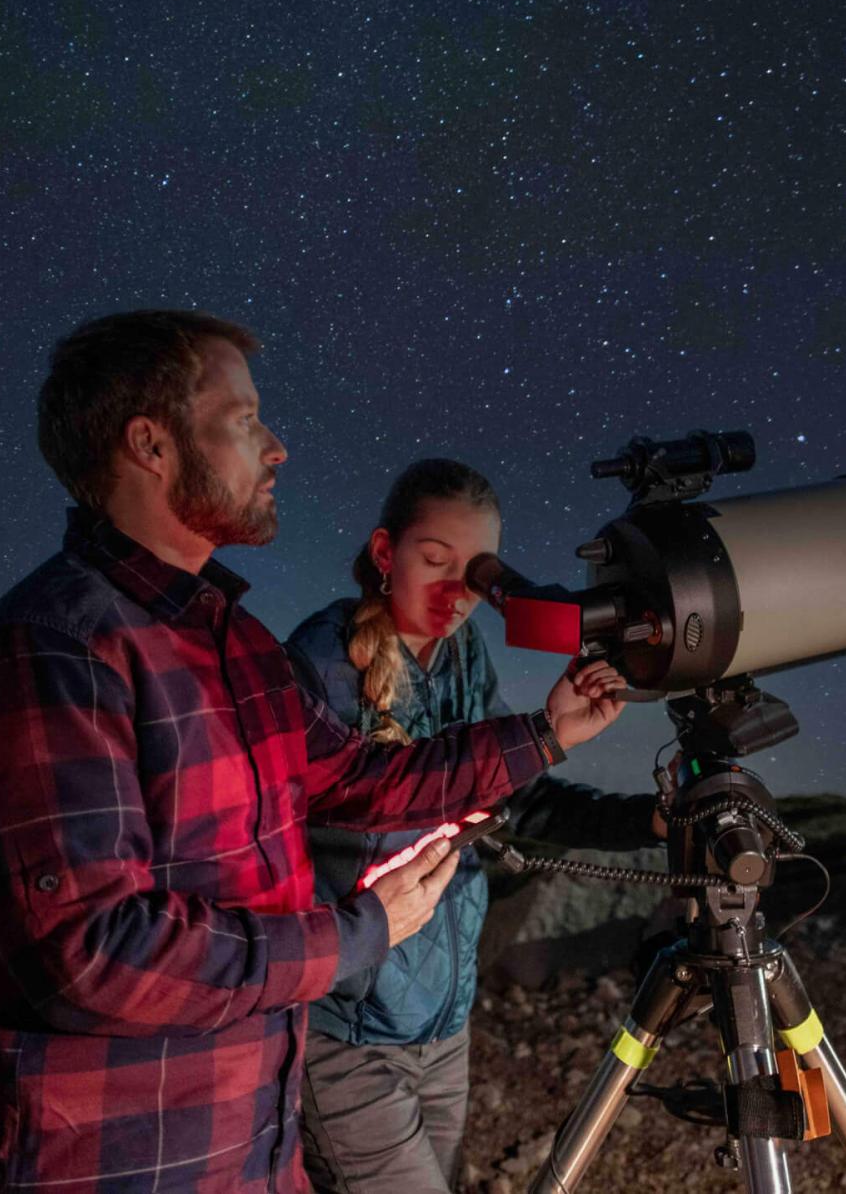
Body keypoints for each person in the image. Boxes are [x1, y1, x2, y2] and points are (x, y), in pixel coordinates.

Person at [0, 310, 626, 1193]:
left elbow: (367, 779)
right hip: (115, 1159)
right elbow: (89, 952)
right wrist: (357, 935)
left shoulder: (237, 646)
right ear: (152, 444)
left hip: (256, 1141)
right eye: (244, 419)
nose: (278, 446)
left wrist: (546, 732)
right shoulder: (48, 652)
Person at [283, 459, 661, 1193]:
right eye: (434, 561)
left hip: (442, 1026)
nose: (457, 592)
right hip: (345, 1035)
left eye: (477, 573)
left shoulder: (462, 654)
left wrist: (646, 819)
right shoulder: (324, 658)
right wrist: (541, 735)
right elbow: (378, 792)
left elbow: (508, 797)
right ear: (385, 553)